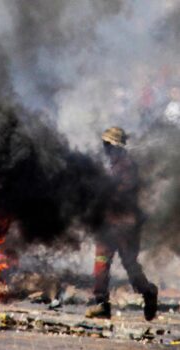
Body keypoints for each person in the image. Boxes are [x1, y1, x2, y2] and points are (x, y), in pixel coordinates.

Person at [85, 127, 158, 321]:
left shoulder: (126, 166)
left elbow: (123, 193)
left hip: (125, 225)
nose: (105, 148)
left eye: (107, 144)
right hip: (109, 224)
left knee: (130, 265)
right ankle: (101, 304)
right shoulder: (113, 165)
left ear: (115, 146)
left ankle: (149, 293)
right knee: (100, 264)